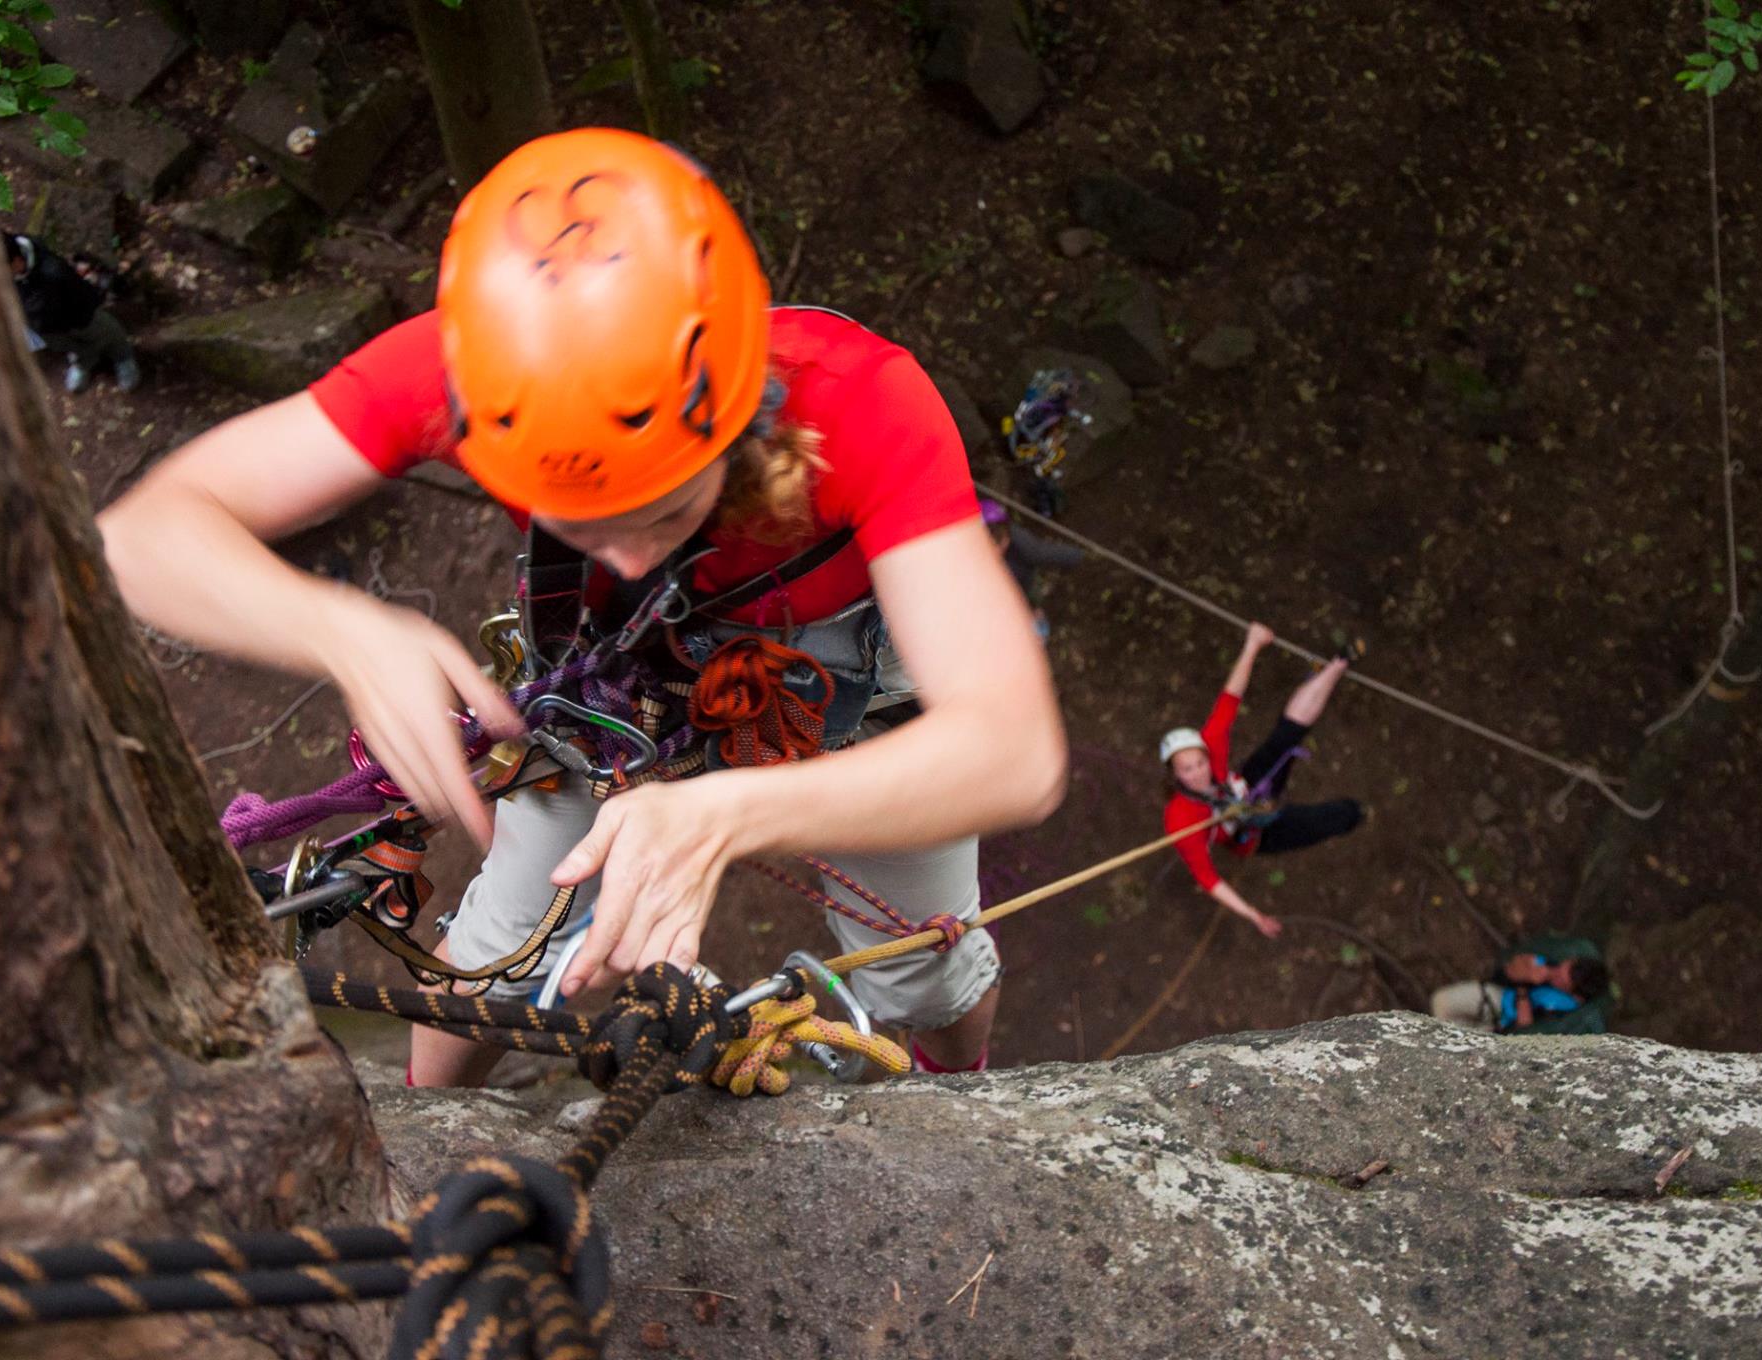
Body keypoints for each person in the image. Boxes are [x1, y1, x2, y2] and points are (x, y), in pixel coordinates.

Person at [98, 128, 1065, 1084]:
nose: (636, 552)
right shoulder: (483, 371)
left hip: (836, 672)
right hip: (621, 671)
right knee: (491, 966)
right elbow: (141, 538)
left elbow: (1012, 751)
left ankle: (965, 1077)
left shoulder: (860, 403)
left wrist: (724, 814)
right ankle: (428, 1135)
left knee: (924, 973)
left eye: (668, 509)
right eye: (585, 526)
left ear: (742, 420)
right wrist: (342, 629)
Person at [1160, 624, 1364, 936]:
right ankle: (1357, 815)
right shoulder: (1181, 821)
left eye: (1200, 763)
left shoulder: (1210, 745)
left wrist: (1252, 645)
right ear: (1174, 773)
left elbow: (1231, 695)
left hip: (1245, 786)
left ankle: (1336, 666)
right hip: (1249, 833)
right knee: (1330, 818)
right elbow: (1209, 879)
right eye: (1187, 769)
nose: (1199, 773)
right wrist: (1252, 914)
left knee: (1287, 734)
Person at [2, 231, 141, 394]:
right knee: (71, 346)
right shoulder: (12, 268)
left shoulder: (53, 273)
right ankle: (84, 362)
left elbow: (80, 297)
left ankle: (123, 357)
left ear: (17, 261)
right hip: (48, 328)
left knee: (104, 332)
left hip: (76, 316)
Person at [1429, 936, 1612, 1034]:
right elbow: (1509, 968)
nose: (1554, 975)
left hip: (1507, 1032)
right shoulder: (1556, 960)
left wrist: (1524, 989)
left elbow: (1526, 1035)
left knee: (1451, 1037)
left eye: (1559, 980)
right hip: (1503, 998)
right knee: (1441, 1003)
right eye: (1560, 969)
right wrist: (1526, 973)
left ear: (1575, 996)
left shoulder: (1571, 1020)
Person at [980, 497, 1084, 638]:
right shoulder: (972, 559)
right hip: (996, 589)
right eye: (990, 544)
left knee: (1030, 600)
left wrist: (1079, 556)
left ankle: (1035, 617)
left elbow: (1048, 553)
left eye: (1000, 540)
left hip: (1023, 581)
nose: (997, 549)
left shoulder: (1025, 547)